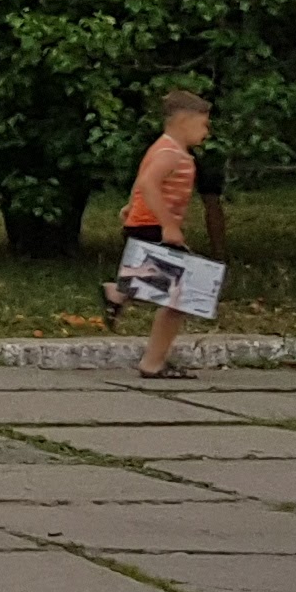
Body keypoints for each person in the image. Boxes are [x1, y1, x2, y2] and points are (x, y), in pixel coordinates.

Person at [112, 87, 218, 379]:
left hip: (145, 224)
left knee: (175, 293)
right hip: (153, 227)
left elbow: (143, 180)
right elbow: (149, 183)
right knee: (183, 295)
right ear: (184, 122)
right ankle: (152, 362)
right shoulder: (170, 154)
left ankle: (117, 293)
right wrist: (169, 225)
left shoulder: (164, 148)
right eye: (203, 125)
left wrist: (130, 206)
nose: (207, 132)